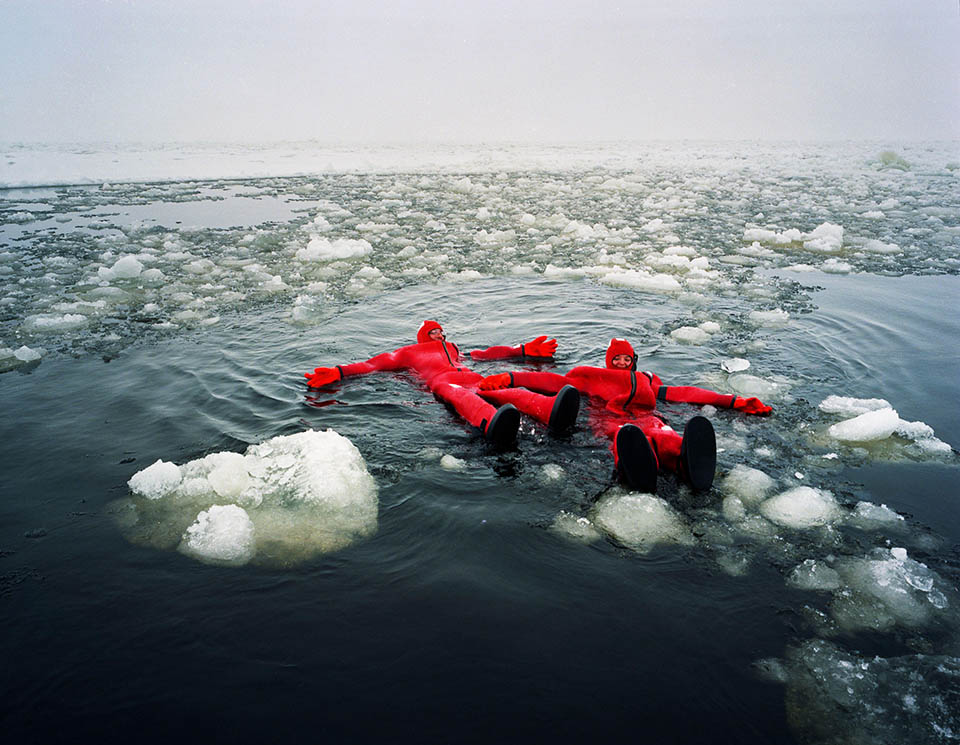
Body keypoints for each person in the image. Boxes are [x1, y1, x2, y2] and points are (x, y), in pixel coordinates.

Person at [479, 338, 772, 492]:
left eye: (626, 358)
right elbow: (550, 382)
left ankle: (685, 461)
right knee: (623, 438)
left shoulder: (646, 380)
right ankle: (637, 466)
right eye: (616, 358)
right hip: (611, 422)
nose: (621, 362)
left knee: (665, 435)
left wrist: (733, 401)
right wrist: (509, 376)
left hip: (648, 417)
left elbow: (684, 393)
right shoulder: (592, 378)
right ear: (609, 360)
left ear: (633, 361)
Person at [304, 320, 581, 449]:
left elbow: (484, 354)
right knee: (462, 397)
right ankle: (491, 422)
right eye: (433, 331)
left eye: (440, 330)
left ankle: (549, 410)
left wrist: (521, 350)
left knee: (508, 391)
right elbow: (373, 364)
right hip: (444, 383)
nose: (439, 333)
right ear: (423, 336)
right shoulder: (409, 352)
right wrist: (340, 371)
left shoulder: (454, 348)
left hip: (474, 378)